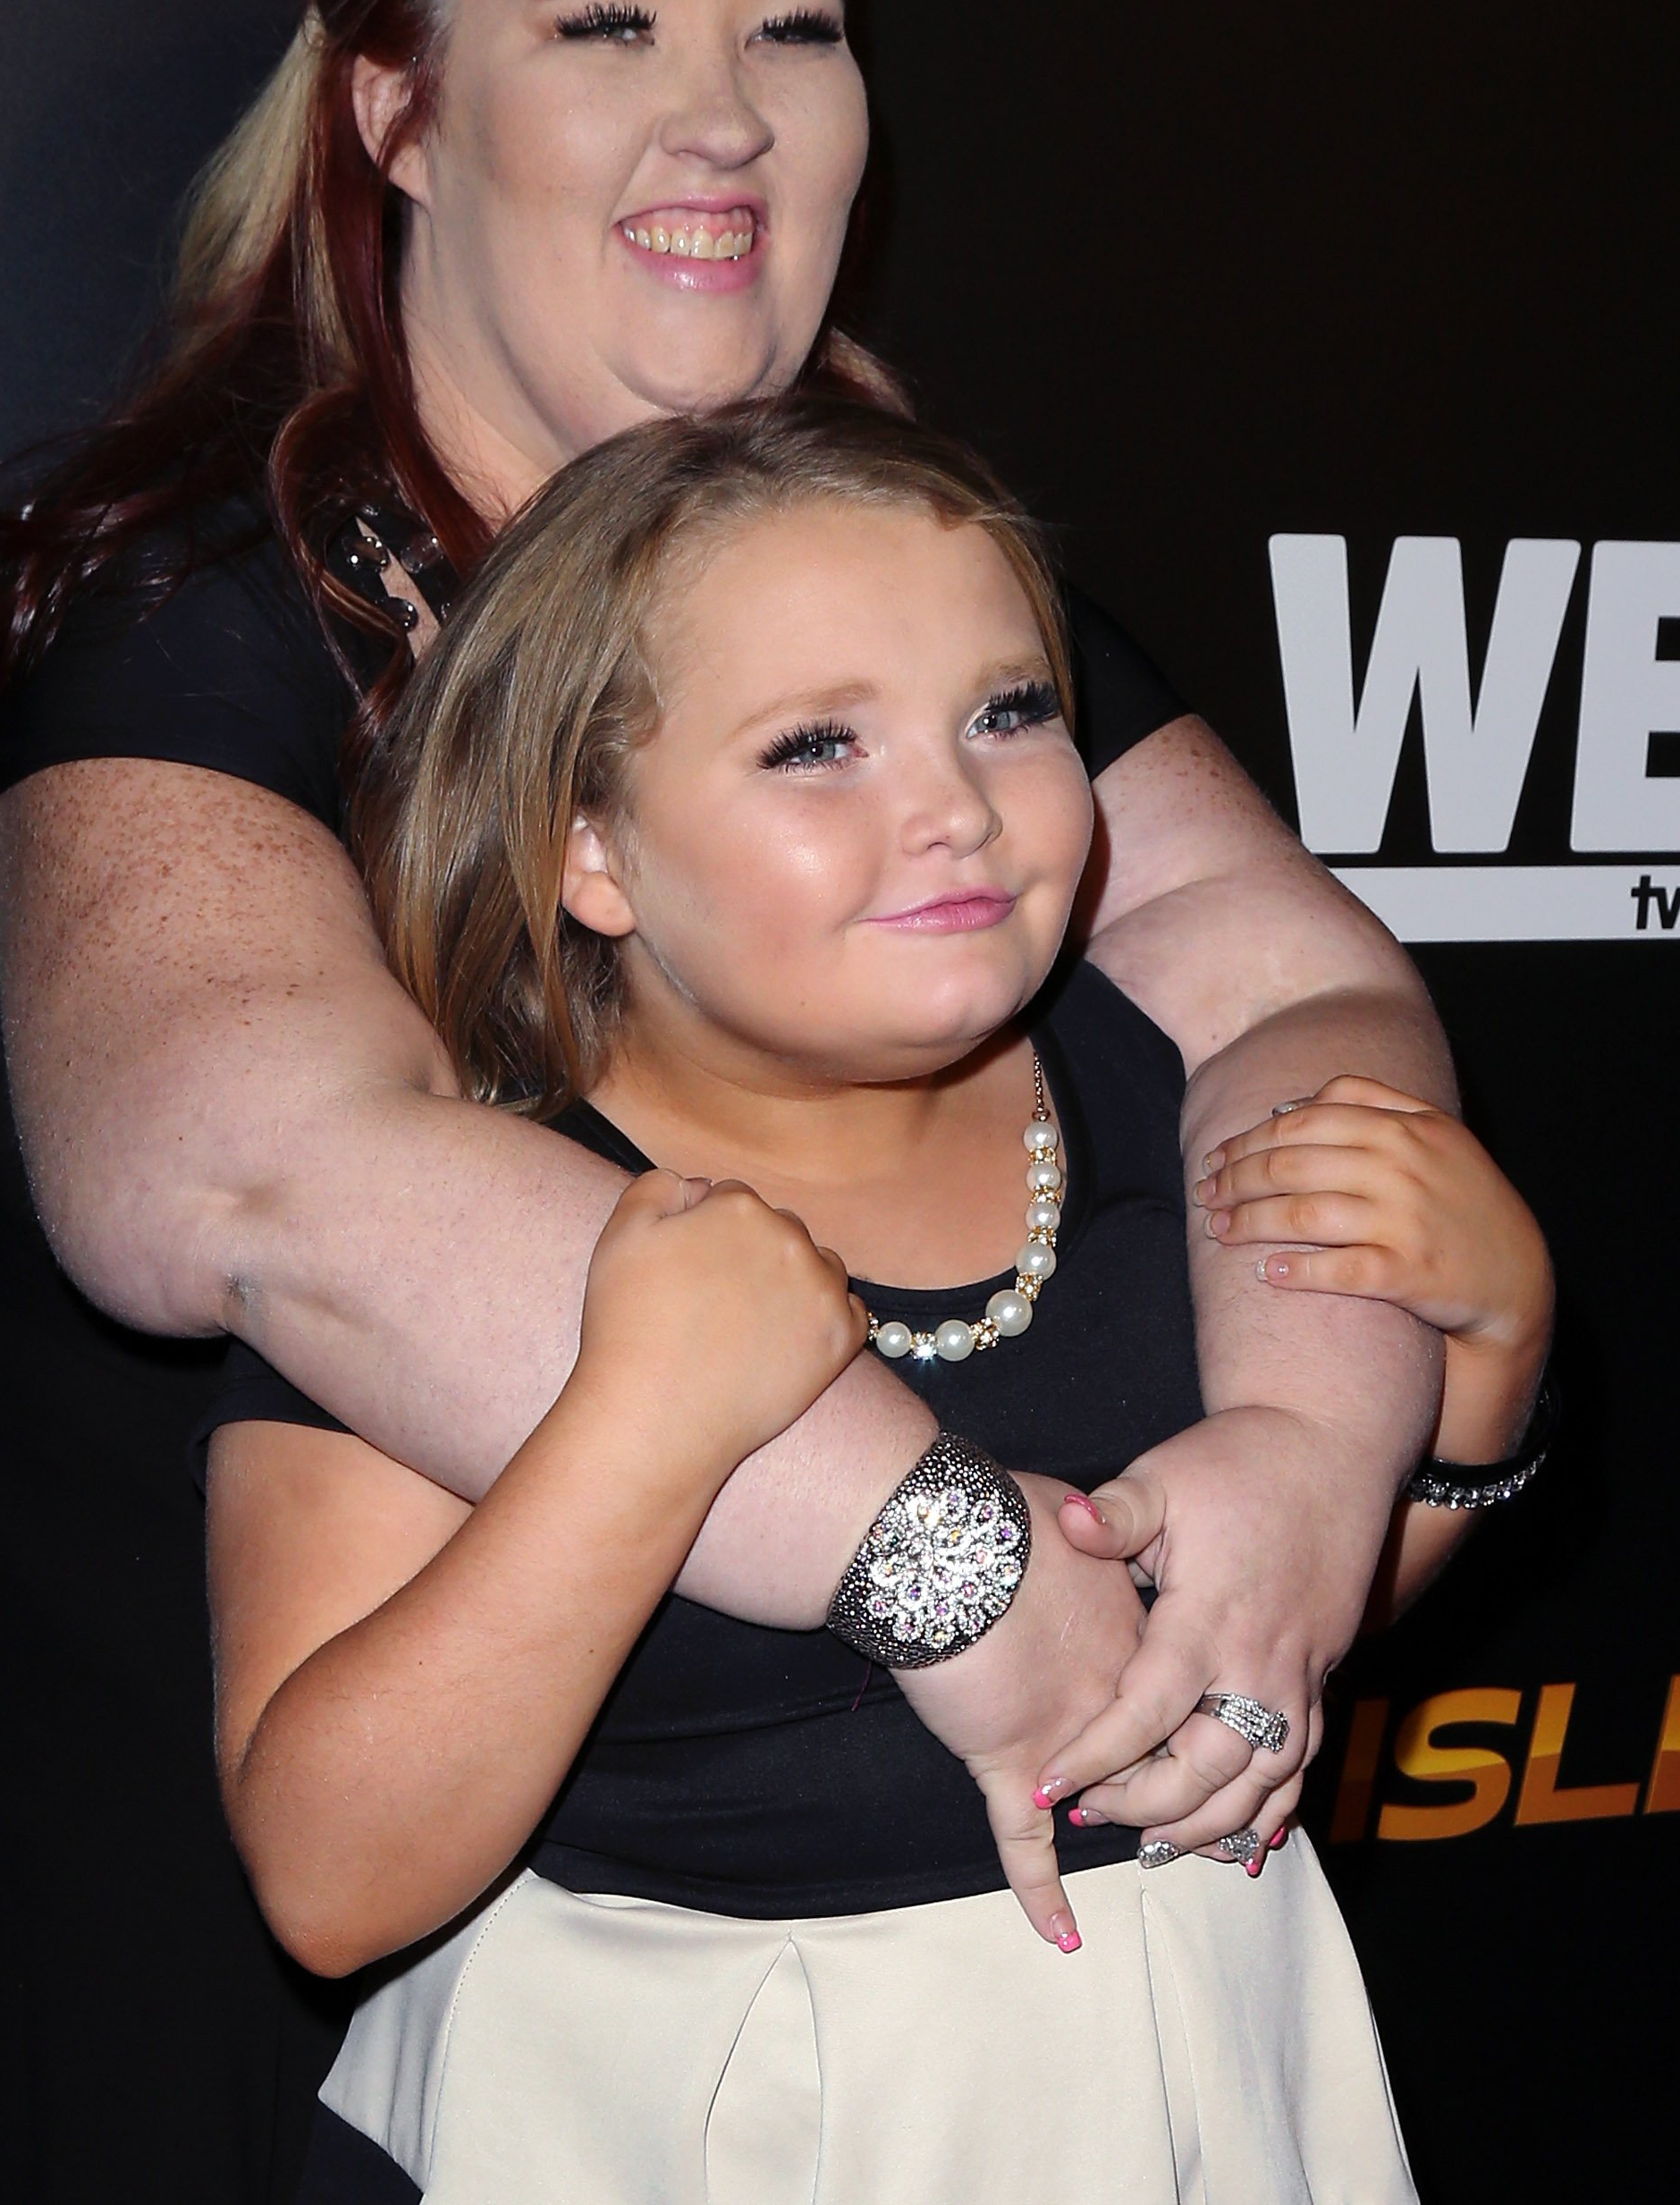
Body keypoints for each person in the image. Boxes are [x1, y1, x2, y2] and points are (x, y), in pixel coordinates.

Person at [0, 0, 1517, 2204]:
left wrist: (1311, 1453)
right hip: (263, 1971)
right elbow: (252, 1173)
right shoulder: (175, 608)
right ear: (399, 98)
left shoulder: (880, 564)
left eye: (796, 20)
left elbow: (1289, 985)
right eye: (607, 16)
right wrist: (953, 1562)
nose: (723, 110)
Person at [202, 403, 1554, 2201]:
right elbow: (330, 1873)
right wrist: (641, 1428)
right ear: (586, 844)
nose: (957, 808)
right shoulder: (475, 1236)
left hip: (1188, 2079)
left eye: (1011, 712)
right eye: (816, 745)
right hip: (661, 2119)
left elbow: (1248, 1649)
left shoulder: (1193, 1106)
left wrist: (1484, 1373)